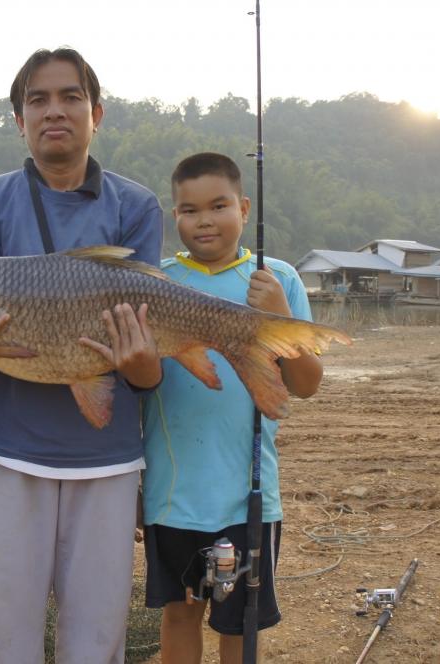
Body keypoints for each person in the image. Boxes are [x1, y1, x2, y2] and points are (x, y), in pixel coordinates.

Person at [0, 48, 164, 663]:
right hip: (12, 447)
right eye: (37, 99)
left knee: (98, 634)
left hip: (107, 456)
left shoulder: (134, 207)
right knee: (10, 633)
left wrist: (143, 368)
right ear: (18, 119)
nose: (54, 110)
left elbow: (143, 359)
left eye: (69, 97)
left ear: (96, 112)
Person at [140, 152, 323, 664]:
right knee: (178, 613)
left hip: (248, 496)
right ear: (174, 216)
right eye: (188, 210)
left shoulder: (277, 279)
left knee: (239, 623)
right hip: (171, 493)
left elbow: (305, 385)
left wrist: (280, 315)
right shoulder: (154, 281)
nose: (203, 220)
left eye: (218, 206)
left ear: (244, 208)